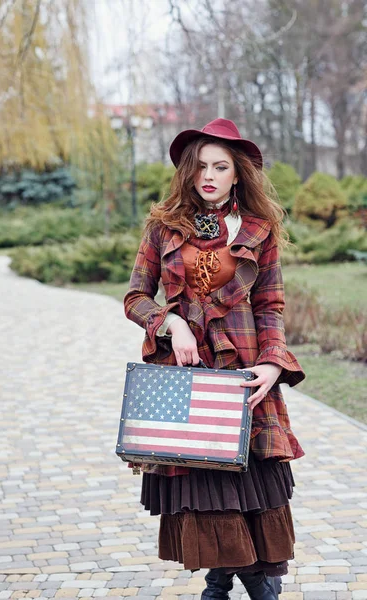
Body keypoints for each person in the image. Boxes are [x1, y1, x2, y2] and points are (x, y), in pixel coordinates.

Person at [124, 118, 305, 600]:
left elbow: (270, 306)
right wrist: (171, 323)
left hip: (245, 375)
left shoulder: (257, 231)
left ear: (237, 174)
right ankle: (246, 590)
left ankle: (220, 588)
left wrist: (271, 364)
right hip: (188, 379)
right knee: (207, 483)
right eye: (200, 165)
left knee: (249, 485)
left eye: (220, 166)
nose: (209, 175)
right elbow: (135, 298)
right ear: (188, 171)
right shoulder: (163, 228)